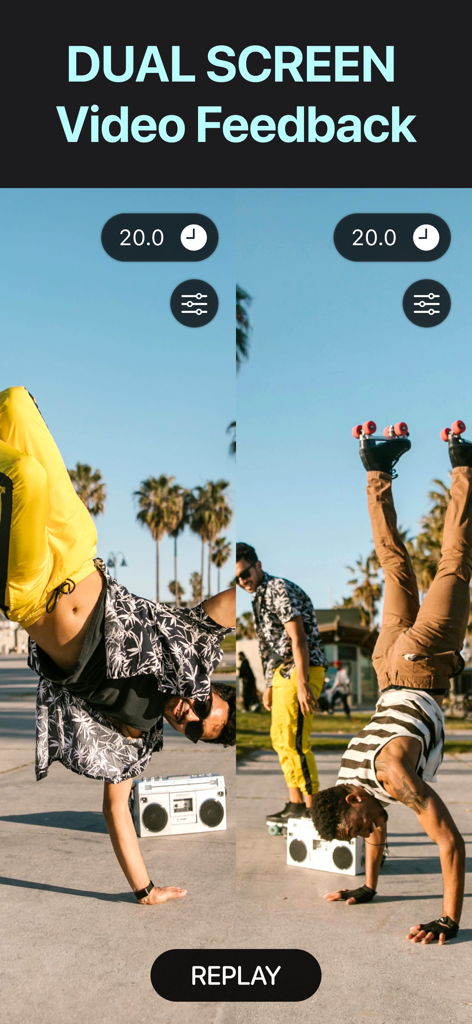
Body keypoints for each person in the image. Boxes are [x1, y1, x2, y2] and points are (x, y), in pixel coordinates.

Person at [0, 386, 236, 906]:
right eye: (203, 707)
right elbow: (232, 602)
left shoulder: (135, 735)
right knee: (16, 403)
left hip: (32, 593)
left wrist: (146, 889)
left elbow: (115, 810)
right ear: (205, 688)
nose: (190, 716)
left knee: (25, 476)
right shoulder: (185, 645)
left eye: (197, 730)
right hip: (78, 554)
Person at [311, 424, 470, 943]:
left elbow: (451, 842)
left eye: (354, 830)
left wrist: (449, 919)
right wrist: (369, 887)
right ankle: (376, 466)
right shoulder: (350, 779)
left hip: (417, 664)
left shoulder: (394, 778)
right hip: (388, 662)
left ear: (352, 798)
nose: (365, 834)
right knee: (395, 564)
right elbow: (375, 825)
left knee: (455, 565)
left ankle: (464, 464)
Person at [236, 542, 328, 824]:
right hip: (282, 674)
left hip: (302, 669)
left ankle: (316, 811)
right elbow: (269, 645)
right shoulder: (259, 596)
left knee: (296, 741)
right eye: (237, 579)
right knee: (280, 740)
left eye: (245, 573)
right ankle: (296, 804)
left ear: (258, 565)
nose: (242, 582)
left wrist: (302, 683)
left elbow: (297, 637)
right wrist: (269, 684)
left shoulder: (278, 589)